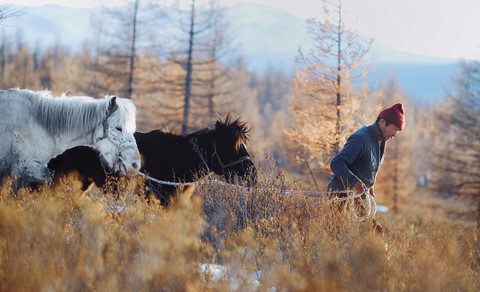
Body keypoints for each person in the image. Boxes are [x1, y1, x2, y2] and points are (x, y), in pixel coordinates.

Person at [327, 102, 405, 235]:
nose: (395, 134)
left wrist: (369, 184)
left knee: (376, 234)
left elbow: (365, 165)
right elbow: (336, 163)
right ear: (382, 121)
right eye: (395, 129)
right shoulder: (360, 138)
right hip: (340, 198)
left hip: (359, 199)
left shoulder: (381, 140)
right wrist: (355, 182)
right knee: (337, 238)